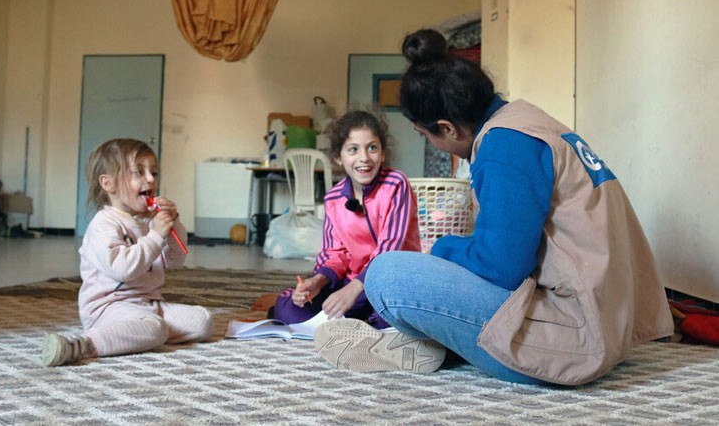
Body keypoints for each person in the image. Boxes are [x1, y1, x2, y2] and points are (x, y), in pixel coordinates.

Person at [315, 29, 674, 385]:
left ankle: (432, 340)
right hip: (611, 325)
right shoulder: (529, 121)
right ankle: (433, 343)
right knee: (441, 267)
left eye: (426, 136)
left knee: (387, 273)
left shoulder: (505, 146)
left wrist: (442, 250)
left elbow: (502, 268)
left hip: (574, 343)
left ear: (447, 128)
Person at [271, 111, 444, 370]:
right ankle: (365, 331)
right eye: (353, 149)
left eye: (372, 148)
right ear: (338, 157)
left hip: (389, 283)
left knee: (396, 314)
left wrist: (354, 289)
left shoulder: (396, 184)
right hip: (350, 287)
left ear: (382, 153)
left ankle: (371, 331)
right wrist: (317, 282)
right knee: (286, 308)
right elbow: (333, 253)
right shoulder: (333, 198)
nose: (364, 158)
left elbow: (390, 249)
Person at [41, 138, 214, 366]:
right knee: (154, 328)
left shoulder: (147, 221)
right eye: (138, 173)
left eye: (153, 172)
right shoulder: (103, 225)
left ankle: (136, 335)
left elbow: (175, 260)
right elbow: (123, 269)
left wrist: (174, 225)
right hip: (107, 309)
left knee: (203, 321)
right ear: (108, 184)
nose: (151, 179)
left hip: (148, 304)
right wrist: (155, 236)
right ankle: (83, 345)